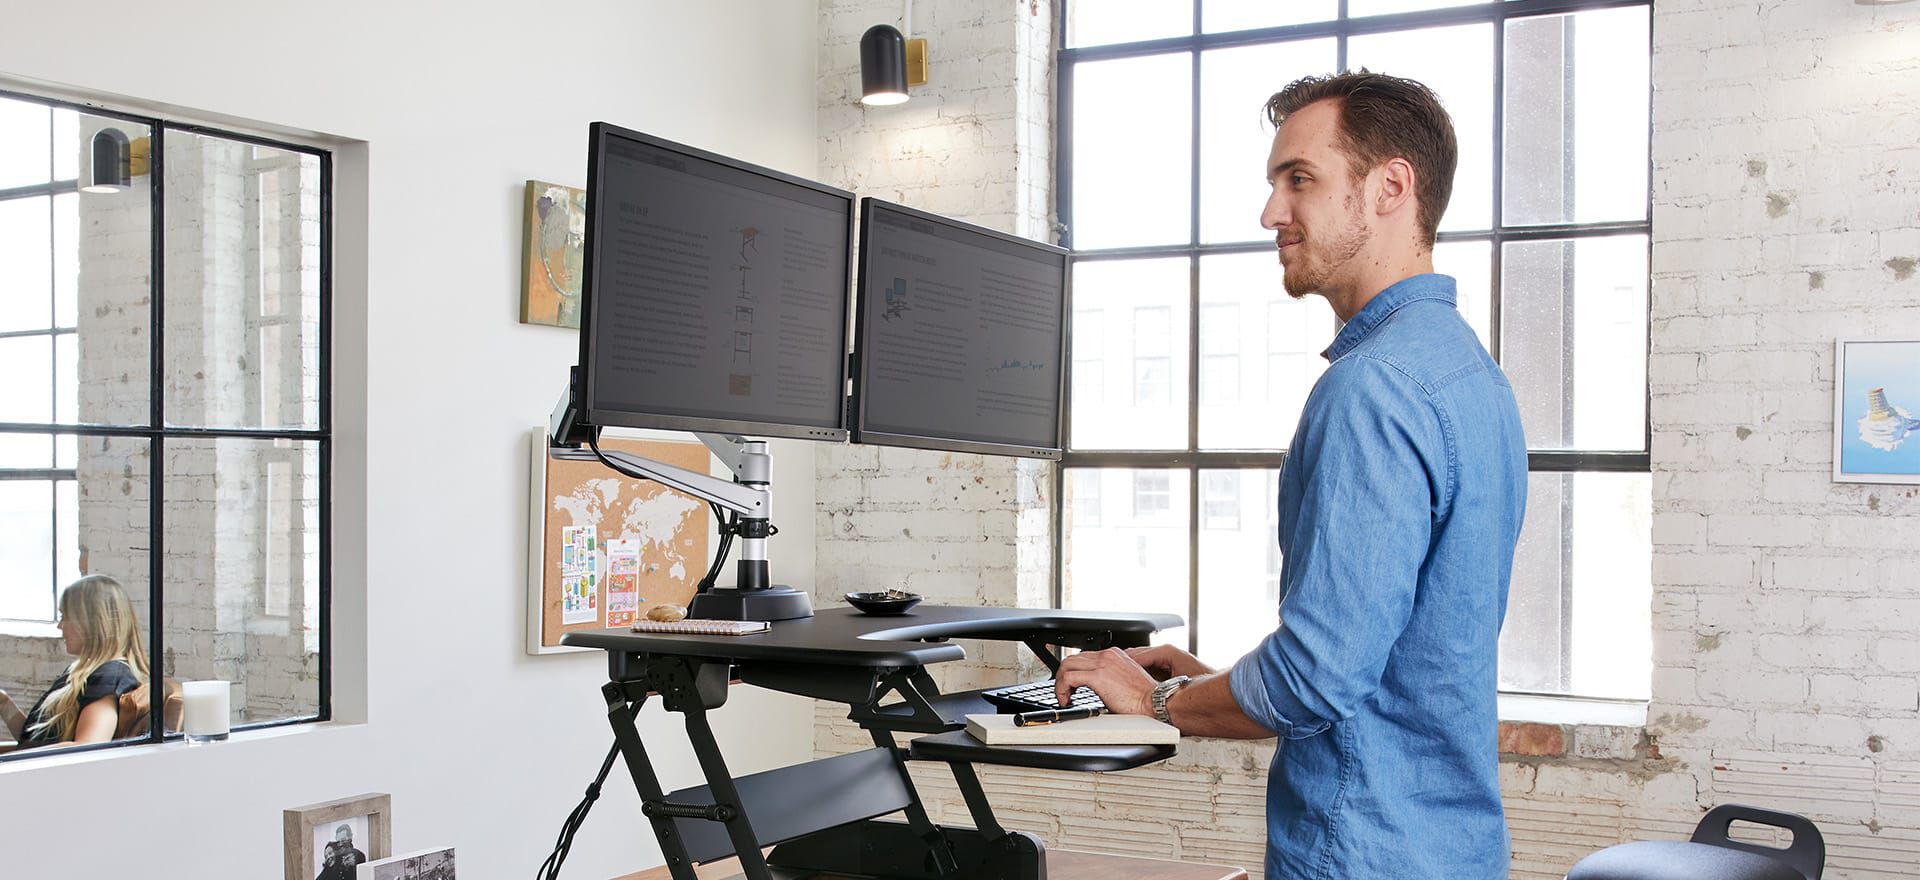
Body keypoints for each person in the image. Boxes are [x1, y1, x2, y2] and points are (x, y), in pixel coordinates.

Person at [1055, 71, 1527, 879]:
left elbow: (1317, 677)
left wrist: (1154, 700)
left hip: (1361, 852)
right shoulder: (1471, 376)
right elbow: (1395, 659)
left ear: (1391, 187)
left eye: (1298, 179)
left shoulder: (1371, 388)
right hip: (1452, 849)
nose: (1271, 212)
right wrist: (1213, 683)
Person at [0, 575, 149, 750]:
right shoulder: (85, 671)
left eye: (66, 617)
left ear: (91, 622)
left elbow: (87, 746)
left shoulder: (109, 676)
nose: (60, 625)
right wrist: (4, 703)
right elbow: (33, 742)